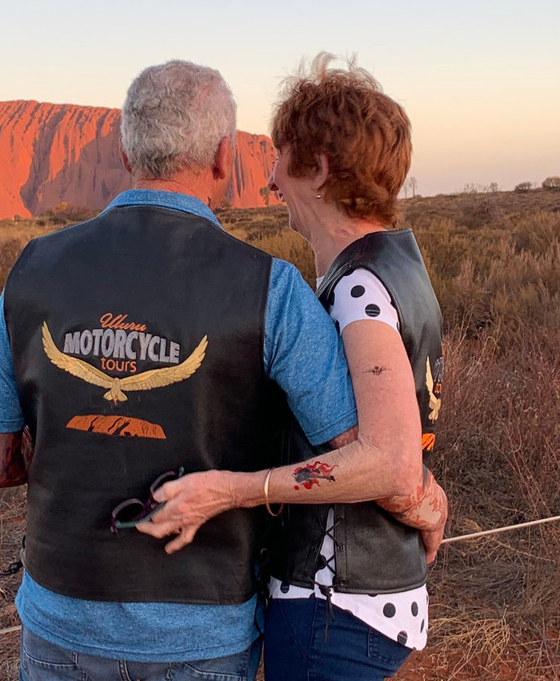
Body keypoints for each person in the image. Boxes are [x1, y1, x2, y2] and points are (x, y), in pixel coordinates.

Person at [0, 60, 418, 681]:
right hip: (202, 631)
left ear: (127, 154)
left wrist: (76, 447)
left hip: (60, 620)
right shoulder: (272, 289)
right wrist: (425, 501)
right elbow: (360, 450)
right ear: (223, 158)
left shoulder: (32, 270)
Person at [136, 54, 447, 681]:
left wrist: (235, 489)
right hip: (372, 594)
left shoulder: (359, 287)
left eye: (281, 158)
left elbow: (387, 459)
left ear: (321, 169)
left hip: (334, 605)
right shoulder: (397, 269)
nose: (272, 179)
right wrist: (426, 500)